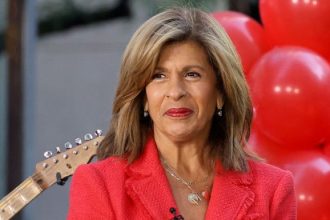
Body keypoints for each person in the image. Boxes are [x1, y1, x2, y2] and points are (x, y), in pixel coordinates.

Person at [67, 7, 296, 220]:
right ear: (143, 98)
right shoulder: (100, 184)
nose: (175, 92)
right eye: (158, 76)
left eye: (192, 74)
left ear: (220, 92)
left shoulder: (273, 189)